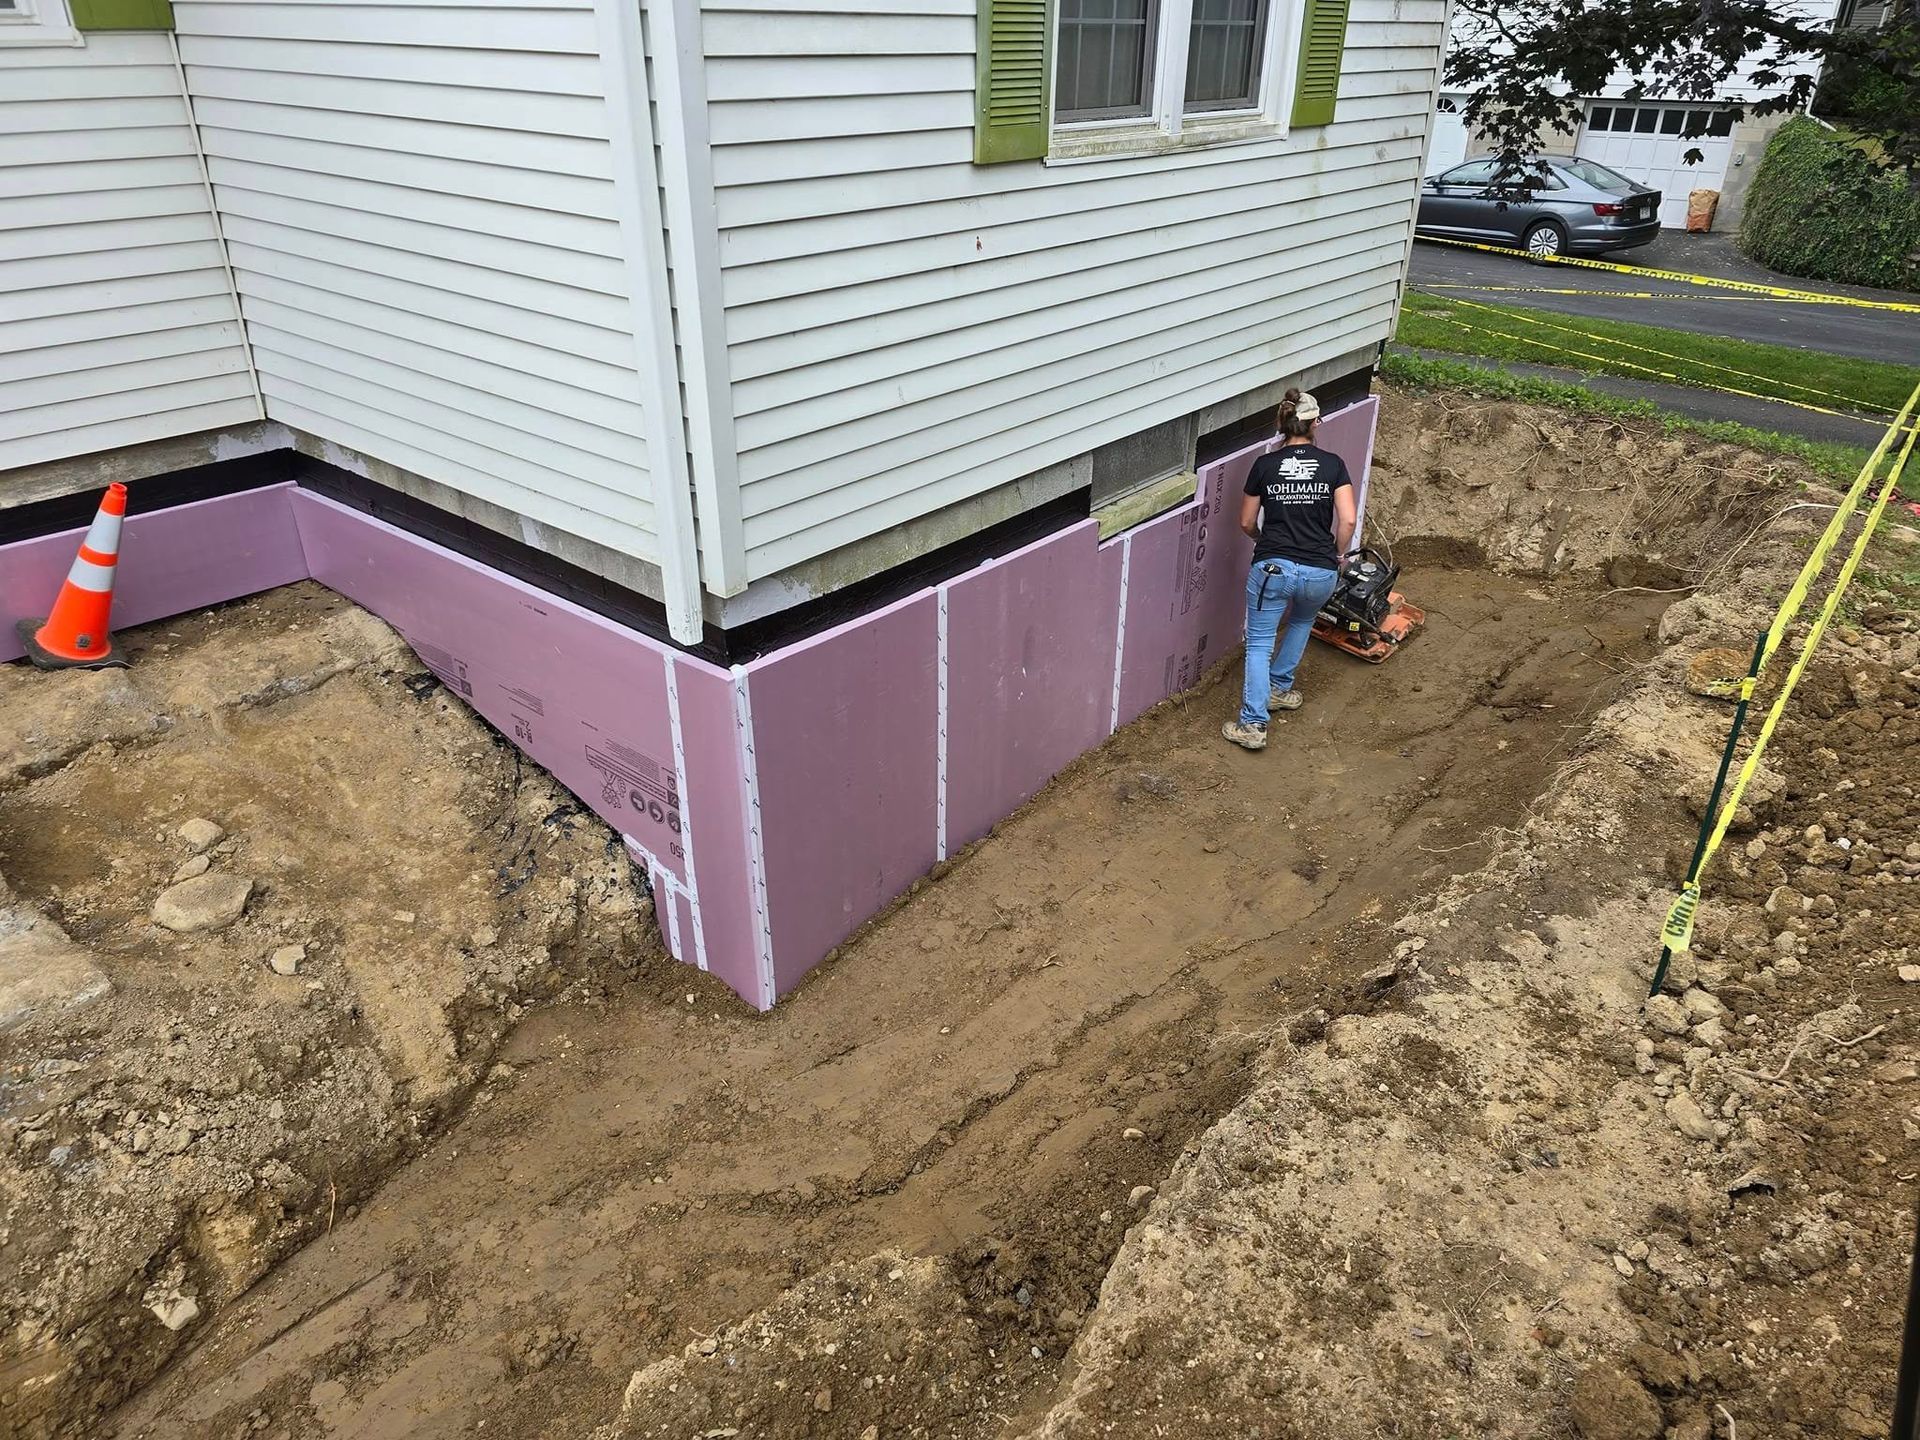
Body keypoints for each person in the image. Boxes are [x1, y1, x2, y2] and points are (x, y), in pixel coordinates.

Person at [1222, 388, 1356, 752]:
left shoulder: (1264, 465)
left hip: (1273, 567)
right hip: (1320, 571)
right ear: (1314, 424)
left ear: (1283, 424)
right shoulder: (1333, 464)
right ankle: (1279, 689)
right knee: (1301, 622)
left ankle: (1252, 724)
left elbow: (1246, 521)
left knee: (1260, 644)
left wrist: (1266, 542)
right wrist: (1337, 555)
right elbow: (1347, 521)